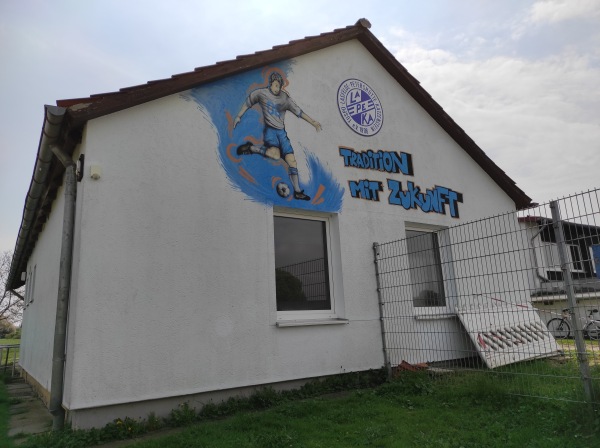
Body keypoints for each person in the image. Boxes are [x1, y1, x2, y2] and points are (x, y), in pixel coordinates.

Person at [233, 72, 322, 201]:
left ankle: (297, 191)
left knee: (292, 161)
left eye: (279, 86)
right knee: (275, 155)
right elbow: (248, 102)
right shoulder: (261, 93)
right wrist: (238, 116)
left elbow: (299, 111)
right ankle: (252, 148)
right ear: (270, 84)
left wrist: (313, 122)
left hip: (281, 133)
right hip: (270, 131)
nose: (277, 89)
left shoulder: (284, 98)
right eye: (275, 85)